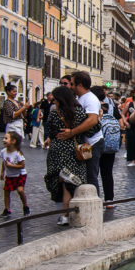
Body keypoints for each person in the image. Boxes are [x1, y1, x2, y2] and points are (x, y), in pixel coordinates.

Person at [44, 86, 87, 226]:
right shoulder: (80, 112)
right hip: (74, 150)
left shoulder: (54, 113)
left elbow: (49, 131)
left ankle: (65, 214)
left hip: (58, 150)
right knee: (72, 182)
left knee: (64, 182)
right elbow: (93, 128)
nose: (54, 101)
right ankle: (69, 212)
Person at [59, 72, 103, 195]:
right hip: (86, 144)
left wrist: (72, 132)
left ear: (80, 85)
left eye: (72, 84)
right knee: (85, 173)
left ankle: (94, 203)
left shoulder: (90, 99)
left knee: (91, 175)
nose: (70, 86)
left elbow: (92, 120)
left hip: (92, 143)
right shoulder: (81, 98)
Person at [92, 86, 120, 209]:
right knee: (107, 172)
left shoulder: (92, 106)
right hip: (110, 141)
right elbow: (119, 119)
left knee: (93, 172)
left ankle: (94, 198)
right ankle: (109, 199)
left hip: (95, 141)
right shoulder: (111, 104)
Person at [0, 131, 29, 217]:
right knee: (6, 192)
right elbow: (3, 162)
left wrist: (11, 165)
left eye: (6, 138)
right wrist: (2, 172)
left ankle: (25, 206)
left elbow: (22, 166)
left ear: (13, 141)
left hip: (20, 175)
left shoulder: (18, 153)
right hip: (9, 175)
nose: (3, 140)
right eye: (4, 138)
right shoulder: (3, 152)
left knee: (20, 190)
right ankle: (7, 209)